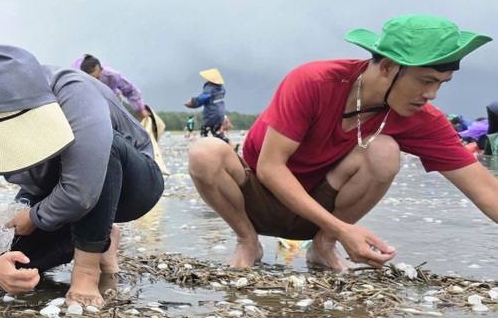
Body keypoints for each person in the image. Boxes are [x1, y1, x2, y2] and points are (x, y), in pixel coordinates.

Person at [188, 14, 498, 271]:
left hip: (319, 212)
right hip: (257, 200)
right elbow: (270, 168)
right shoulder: (313, 82)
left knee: (384, 150)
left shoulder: (423, 119)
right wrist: (345, 230)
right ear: (388, 66)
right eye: (425, 80)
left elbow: (486, 190)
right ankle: (247, 242)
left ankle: (323, 248)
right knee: (205, 151)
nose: (432, 95)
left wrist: (335, 231)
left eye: (440, 84)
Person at [0, 45, 164, 306]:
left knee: (103, 151)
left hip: (131, 186)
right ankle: (104, 237)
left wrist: (34, 216)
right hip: (50, 191)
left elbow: (81, 190)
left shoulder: (75, 91)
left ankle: (87, 271)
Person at [74, 54, 146, 119]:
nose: (96, 82)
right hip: (89, 100)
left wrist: (141, 108)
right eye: (92, 80)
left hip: (110, 96)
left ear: (101, 70)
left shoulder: (112, 75)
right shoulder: (76, 76)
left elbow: (130, 90)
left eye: (97, 78)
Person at [185, 68, 230, 144]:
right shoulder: (221, 88)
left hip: (211, 113)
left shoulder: (210, 87)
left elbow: (203, 98)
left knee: (204, 131)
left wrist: (193, 101)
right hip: (220, 113)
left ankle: (204, 146)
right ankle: (230, 143)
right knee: (216, 132)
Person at [140, 105, 169, 176]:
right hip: (149, 139)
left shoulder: (148, 119)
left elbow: (146, 130)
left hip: (147, 139)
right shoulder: (146, 119)